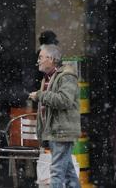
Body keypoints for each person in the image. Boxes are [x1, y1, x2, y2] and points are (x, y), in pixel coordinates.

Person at [29, 44, 81, 188]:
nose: (38, 61)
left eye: (41, 57)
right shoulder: (46, 79)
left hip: (62, 131)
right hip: (54, 132)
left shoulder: (66, 76)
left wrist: (40, 95)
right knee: (68, 172)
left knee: (57, 172)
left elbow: (64, 100)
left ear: (51, 59)